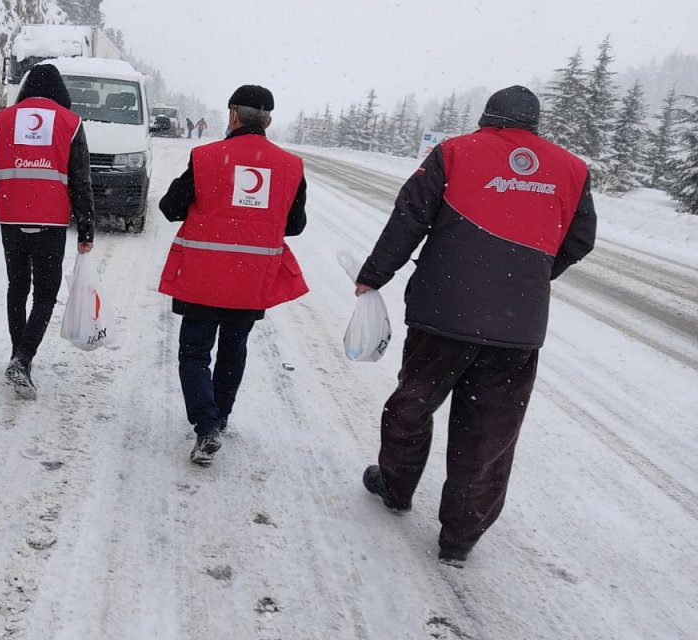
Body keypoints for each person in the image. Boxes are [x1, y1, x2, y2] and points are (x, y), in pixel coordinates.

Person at [354, 85, 597, 565]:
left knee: (413, 403)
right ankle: (460, 537)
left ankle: (396, 486)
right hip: (517, 328)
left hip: (442, 315)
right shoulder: (572, 169)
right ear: (534, 123)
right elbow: (580, 240)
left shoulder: (453, 153)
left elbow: (408, 220)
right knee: (490, 431)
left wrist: (373, 275)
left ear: (488, 118)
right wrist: (530, 276)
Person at [157, 85, 308, 465]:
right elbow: (296, 224)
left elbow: (170, 207)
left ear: (232, 115)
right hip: (251, 279)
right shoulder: (290, 166)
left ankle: (206, 426)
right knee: (233, 349)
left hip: (203, 276)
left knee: (194, 353)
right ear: (269, 120)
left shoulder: (206, 157)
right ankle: (220, 416)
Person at [0, 64, 95, 398]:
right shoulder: (71, 123)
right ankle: (23, 358)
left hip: (11, 219)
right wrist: (86, 226)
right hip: (51, 223)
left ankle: (17, 355)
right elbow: (82, 180)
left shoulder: (1, 121)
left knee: (18, 287)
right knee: (45, 293)